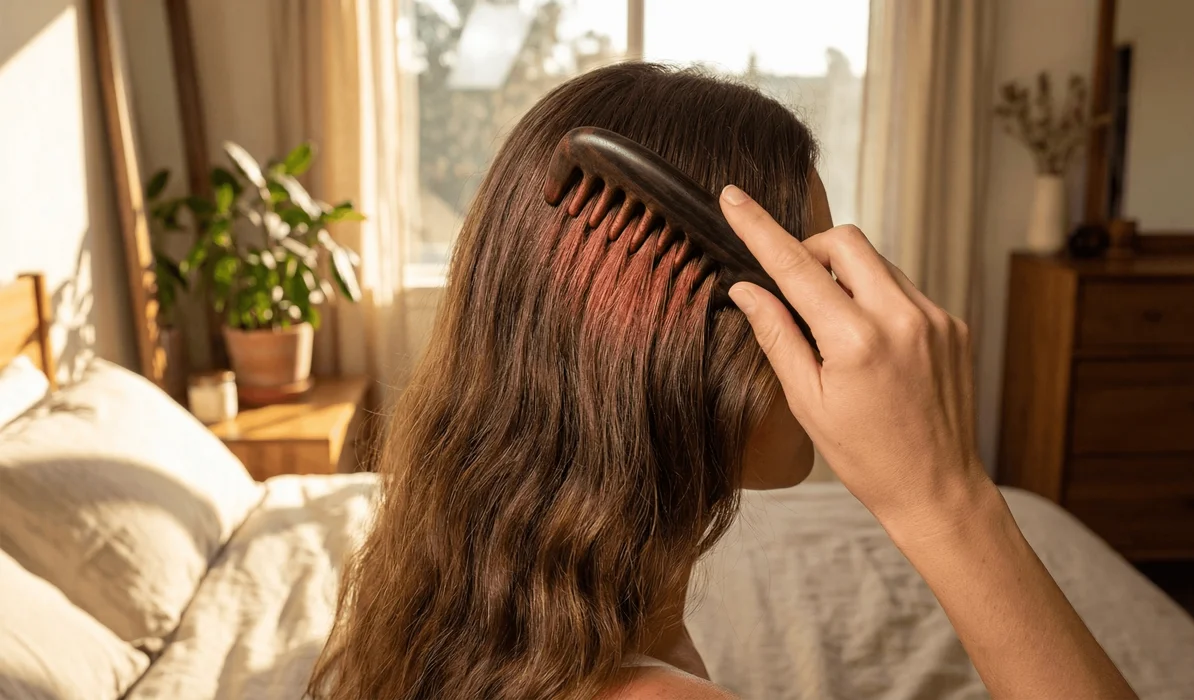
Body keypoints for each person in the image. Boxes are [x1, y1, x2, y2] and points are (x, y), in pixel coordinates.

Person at [308, 63, 1136, 700]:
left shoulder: (488, 604)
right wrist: (949, 497)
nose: (841, 314)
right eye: (814, 277)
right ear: (685, 341)